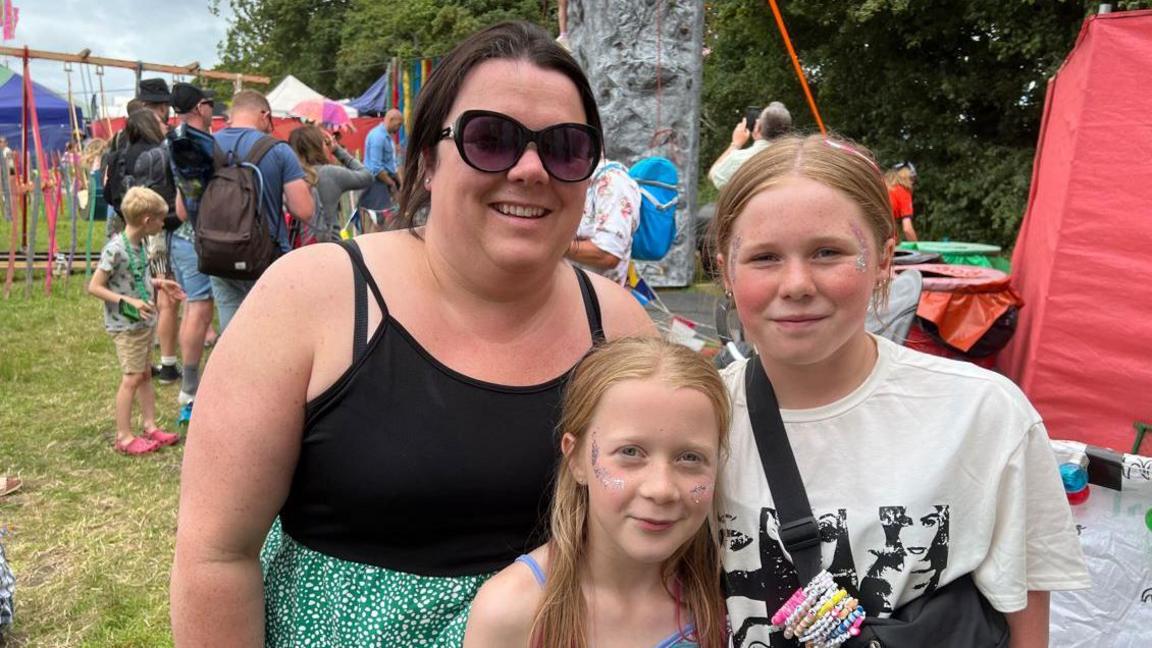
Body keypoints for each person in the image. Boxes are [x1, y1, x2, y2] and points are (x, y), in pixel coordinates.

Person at [170, 21, 654, 646]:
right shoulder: (313, 297)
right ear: (428, 158)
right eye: (491, 138)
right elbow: (215, 557)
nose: (531, 169)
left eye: (564, 147)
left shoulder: (619, 328)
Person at [709, 134, 1090, 647]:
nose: (796, 283)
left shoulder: (982, 415)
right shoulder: (693, 420)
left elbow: (1024, 622)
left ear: (886, 258)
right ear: (725, 270)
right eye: (764, 257)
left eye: (828, 252)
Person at [464, 337, 729, 648]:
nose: (661, 489)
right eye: (630, 452)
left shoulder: (730, 599)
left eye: (690, 458)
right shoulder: (511, 610)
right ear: (575, 458)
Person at [87, 186, 186, 455]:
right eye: (160, 219)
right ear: (147, 220)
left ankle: (150, 425)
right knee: (131, 378)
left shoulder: (138, 244)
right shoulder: (115, 249)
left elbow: (134, 277)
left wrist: (159, 283)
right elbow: (94, 287)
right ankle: (124, 436)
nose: (162, 223)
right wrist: (128, 302)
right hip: (126, 325)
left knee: (144, 375)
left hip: (143, 323)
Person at [208, 90, 314, 331]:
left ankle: (232, 365)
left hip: (217, 250)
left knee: (230, 313)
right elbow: (304, 210)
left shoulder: (207, 146)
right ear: (264, 115)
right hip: (267, 252)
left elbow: (186, 208)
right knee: (270, 321)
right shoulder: (278, 150)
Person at [166, 82, 219, 408]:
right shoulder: (204, 144)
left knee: (193, 308)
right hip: (206, 236)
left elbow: (181, 203)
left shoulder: (171, 140)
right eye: (211, 104)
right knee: (200, 309)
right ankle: (190, 387)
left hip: (183, 236)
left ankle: (188, 382)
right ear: (200, 107)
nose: (213, 110)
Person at [122, 109, 182, 384]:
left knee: (146, 290)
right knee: (166, 296)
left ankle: (143, 359)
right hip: (159, 229)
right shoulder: (158, 154)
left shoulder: (125, 154)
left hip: (137, 229)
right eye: (160, 121)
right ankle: (167, 362)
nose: (165, 125)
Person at [288, 124, 373, 243]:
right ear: (318, 147)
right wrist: (337, 150)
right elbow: (367, 176)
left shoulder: (289, 177)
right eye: (324, 142)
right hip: (331, 246)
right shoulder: (329, 173)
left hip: (297, 249)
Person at [565, 157, 641, 285]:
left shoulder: (613, 184)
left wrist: (552, 244)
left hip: (597, 298)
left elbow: (608, 254)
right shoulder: (569, 179)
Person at [708, 101, 791, 190]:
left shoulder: (740, 159)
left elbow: (714, 176)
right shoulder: (797, 157)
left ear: (757, 128)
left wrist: (735, 144)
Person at [358, 108, 404, 232]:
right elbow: (376, 168)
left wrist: (397, 181)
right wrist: (392, 183)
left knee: (383, 220)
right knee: (379, 221)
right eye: (398, 124)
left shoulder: (387, 136)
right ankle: (374, 248)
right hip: (377, 183)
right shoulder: (378, 137)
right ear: (391, 119)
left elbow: (391, 163)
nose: (399, 128)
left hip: (384, 181)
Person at [885, 162, 919, 242]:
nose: (912, 182)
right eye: (912, 178)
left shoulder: (883, 188)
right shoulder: (902, 191)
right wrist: (918, 249)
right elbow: (907, 229)